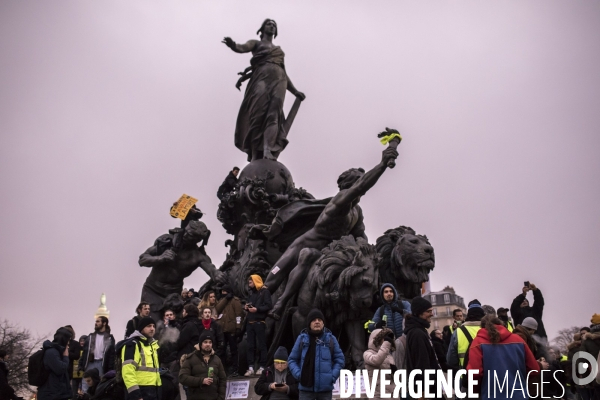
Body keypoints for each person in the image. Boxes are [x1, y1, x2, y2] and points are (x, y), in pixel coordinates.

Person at [263, 144, 400, 319]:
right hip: (305, 245)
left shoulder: (356, 211)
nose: (362, 185)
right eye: (359, 181)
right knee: (273, 277)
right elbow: (361, 187)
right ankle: (277, 304)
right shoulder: (340, 200)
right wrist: (381, 165)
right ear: (350, 186)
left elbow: (361, 238)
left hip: (328, 254)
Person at [222, 20, 306, 162]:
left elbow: (284, 72)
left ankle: (267, 148)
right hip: (260, 80)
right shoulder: (256, 44)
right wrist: (233, 45)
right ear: (261, 29)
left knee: (274, 116)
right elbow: (242, 47)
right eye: (269, 24)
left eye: (274, 25)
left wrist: (295, 91)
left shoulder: (279, 51)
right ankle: (255, 153)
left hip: (279, 80)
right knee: (258, 116)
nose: (272, 26)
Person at [466, 315, 540, 400]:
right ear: (501, 324)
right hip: (518, 395)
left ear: (483, 327)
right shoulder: (519, 340)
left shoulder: (477, 342)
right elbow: (534, 369)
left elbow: (475, 374)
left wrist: (478, 391)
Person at [288, 309, 344, 400]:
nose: (317, 322)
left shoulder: (331, 339)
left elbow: (340, 359)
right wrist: (299, 375)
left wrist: (332, 377)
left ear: (323, 323)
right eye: (314, 320)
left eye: (319, 320)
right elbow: (292, 360)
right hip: (305, 390)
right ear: (309, 324)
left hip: (325, 391)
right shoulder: (302, 339)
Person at [404, 297, 441, 397]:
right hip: (427, 389)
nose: (432, 314)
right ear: (419, 313)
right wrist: (424, 390)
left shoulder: (419, 331)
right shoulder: (417, 334)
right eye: (428, 311)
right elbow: (421, 364)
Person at [120, 317, 161, 400]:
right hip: (139, 391)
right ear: (141, 328)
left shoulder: (152, 346)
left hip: (153, 391)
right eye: (149, 326)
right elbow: (128, 372)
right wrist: (136, 395)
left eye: (153, 326)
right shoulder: (132, 345)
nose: (152, 329)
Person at [179, 330, 227, 400]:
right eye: (205, 342)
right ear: (200, 344)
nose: (208, 344)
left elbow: (223, 379)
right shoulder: (191, 358)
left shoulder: (217, 360)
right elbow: (182, 377)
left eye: (210, 342)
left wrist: (221, 397)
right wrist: (201, 381)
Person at [244, 275, 273, 376]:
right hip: (250, 323)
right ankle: (250, 367)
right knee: (250, 346)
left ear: (256, 281)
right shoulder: (251, 293)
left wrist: (257, 309)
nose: (249, 284)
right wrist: (246, 307)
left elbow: (269, 305)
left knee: (262, 345)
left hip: (260, 322)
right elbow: (250, 304)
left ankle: (262, 366)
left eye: (251, 282)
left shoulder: (265, 292)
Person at [79, 317, 115, 392]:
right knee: (86, 383)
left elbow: (111, 355)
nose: (96, 323)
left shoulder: (109, 338)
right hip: (90, 363)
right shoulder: (90, 336)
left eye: (98, 321)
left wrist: (110, 368)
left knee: (100, 383)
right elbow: (85, 352)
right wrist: (81, 365)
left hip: (102, 364)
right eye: (96, 321)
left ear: (104, 323)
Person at [447, 299, 485, 370]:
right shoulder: (490, 330)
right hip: (487, 376)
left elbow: (450, 360)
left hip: (465, 375)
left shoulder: (458, 332)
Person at [215, 285, 243, 377]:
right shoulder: (221, 301)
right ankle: (223, 370)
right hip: (222, 330)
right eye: (222, 291)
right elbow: (217, 309)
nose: (223, 293)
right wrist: (225, 299)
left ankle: (235, 369)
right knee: (222, 351)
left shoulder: (235, 301)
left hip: (232, 330)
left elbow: (239, 314)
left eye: (225, 291)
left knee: (233, 350)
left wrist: (238, 327)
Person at [37, 327, 72, 400]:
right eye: (68, 340)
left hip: (57, 393)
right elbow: (60, 369)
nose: (68, 343)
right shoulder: (51, 352)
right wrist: (66, 357)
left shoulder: (57, 352)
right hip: (51, 394)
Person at [363, 328, 396, 398]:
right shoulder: (367, 354)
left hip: (392, 393)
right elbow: (376, 361)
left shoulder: (389, 356)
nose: (386, 340)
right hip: (378, 394)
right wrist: (386, 344)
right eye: (384, 338)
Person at [62, 325, 83, 399]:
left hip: (72, 370)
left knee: (73, 391)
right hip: (61, 369)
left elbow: (76, 355)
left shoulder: (75, 344)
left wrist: (66, 353)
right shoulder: (60, 343)